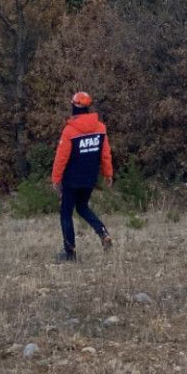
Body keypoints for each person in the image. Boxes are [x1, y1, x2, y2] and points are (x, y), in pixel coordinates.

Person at [51, 91, 114, 262]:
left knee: (66, 212)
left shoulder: (70, 131)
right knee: (82, 207)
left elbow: (61, 158)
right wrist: (108, 174)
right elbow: (105, 154)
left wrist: (56, 179)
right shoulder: (100, 128)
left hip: (71, 179)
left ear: (74, 106)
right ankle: (103, 233)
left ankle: (70, 252)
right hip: (90, 178)